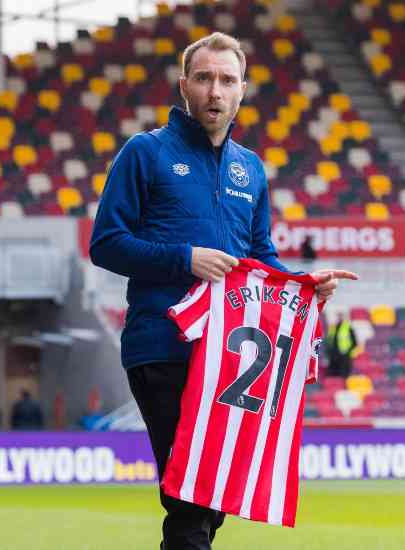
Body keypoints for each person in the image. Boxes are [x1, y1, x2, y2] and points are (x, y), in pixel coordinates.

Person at [89, 32, 358, 550]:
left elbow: (261, 256)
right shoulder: (144, 153)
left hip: (231, 355)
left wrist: (304, 288)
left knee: (211, 500)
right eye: (205, 78)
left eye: (227, 80)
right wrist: (182, 258)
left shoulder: (250, 168)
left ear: (242, 92)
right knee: (190, 496)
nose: (216, 90)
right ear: (185, 85)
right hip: (163, 343)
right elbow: (106, 244)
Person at [326, 312, 358, 378]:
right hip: (333, 357)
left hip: (344, 357)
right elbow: (329, 341)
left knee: (344, 375)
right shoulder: (333, 327)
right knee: (333, 376)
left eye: (341, 316)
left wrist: (347, 352)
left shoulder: (348, 328)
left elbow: (354, 343)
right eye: (338, 316)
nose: (340, 318)